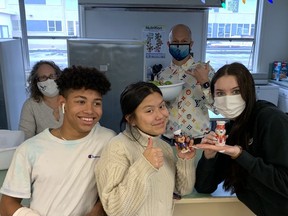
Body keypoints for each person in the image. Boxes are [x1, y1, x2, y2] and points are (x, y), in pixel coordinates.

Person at [0, 66, 116, 216]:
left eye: (97, 103)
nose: (90, 110)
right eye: (81, 102)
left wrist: (97, 210)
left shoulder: (108, 140)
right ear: (63, 103)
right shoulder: (30, 149)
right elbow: (7, 204)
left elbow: (114, 187)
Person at [194, 62, 288, 216]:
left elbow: (284, 182)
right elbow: (204, 187)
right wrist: (209, 157)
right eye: (220, 93)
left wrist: (240, 155)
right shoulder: (232, 129)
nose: (227, 99)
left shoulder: (271, 119)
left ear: (248, 91)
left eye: (236, 91)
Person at [95, 81, 196, 216]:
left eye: (162, 106)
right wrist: (145, 166)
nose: (160, 115)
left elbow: (183, 189)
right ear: (131, 119)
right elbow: (115, 210)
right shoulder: (117, 147)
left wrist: (185, 160)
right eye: (149, 111)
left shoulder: (164, 146)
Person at [157, 24, 217, 144]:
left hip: (199, 141)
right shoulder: (162, 75)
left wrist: (205, 82)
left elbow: (217, 108)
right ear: (168, 44)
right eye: (175, 41)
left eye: (184, 41)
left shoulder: (206, 70)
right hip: (168, 141)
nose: (179, 45)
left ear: (191, 44)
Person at [19, 60, 63, 140]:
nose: (49, 80)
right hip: (44, 151)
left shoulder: (71, 100)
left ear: (58, 77)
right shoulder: (30, 105)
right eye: (43, 77)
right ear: (36, 82)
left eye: (52, 76)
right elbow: (25, 137)